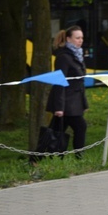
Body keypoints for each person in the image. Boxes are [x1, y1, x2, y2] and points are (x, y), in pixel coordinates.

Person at [45, 26, 89, 157]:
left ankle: (41, 155)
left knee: (56, 130)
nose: (80, 40)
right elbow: (59, 83)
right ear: (69, 39)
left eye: (82, 38)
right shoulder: (64, 57)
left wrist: (84, 103)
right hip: (66, 101)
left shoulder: (77, 55)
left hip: (75, 101)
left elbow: (79, 82)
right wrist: (59, 107)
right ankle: (78, 156)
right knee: (80, 126)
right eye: (77, 38)